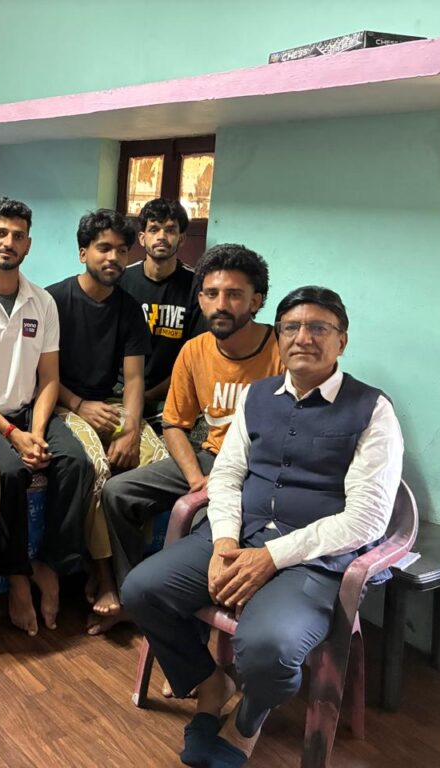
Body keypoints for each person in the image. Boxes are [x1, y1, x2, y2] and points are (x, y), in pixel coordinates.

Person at [122, 286, 404, 767]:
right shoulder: (258, 396)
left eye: (319, 328)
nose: (303, 337)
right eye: (291, 327)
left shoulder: (372, 410)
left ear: (342, 341)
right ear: (279, 337)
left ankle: (248, 718)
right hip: (240, 534)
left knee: (268, 649)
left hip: (312, 560)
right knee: (142, 590)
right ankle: (211, 683)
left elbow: (368, 517)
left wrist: (272, 557)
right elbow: (227, 474)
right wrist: (225, 542)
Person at [0, 197, 94, 637]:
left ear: (28, 244)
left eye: (18, 236)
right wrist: (10, 433)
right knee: (7, 472)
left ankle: (51, 565)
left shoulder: (42, 302)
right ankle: (18, 578)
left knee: (76, 463)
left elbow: (50, 377)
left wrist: (37, 432)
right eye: (0, 233)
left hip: (30, 410)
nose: (8, 242)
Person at [104, 244, 283, 591]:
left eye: (234, 294)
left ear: (255, 301)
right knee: (117, 492)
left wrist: (221, 486)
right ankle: (132, 592)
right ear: (200, 299)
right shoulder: (194, 350)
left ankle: (182, 602)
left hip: (259, 469)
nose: (221, 304)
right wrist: (195, 478)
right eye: (211, 294)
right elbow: (174, 424)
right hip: (209, 459)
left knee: (205, 524)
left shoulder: (281, 351)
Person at [45, 208, 167, 635]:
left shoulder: (129, 309)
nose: (113, 257)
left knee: (155, 463)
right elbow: (42, 375)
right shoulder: (53, 301)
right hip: (62, 402)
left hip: (109, 402)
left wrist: (131, 429)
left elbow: (134, 378)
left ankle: (137, 574)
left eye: (120, 249)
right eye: (103, 248)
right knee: (97, 466)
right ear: (83, 253)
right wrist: (79, 405)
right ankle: (104, 576)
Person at [119, 198, 204, 416]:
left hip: (170, 394)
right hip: (119, 392)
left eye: (170, 230)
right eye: (154, 229)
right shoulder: (121, 280)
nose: (162, 237)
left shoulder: (196, 286)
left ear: (181, 238)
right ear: (142, 238)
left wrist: (148, 395)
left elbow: (196, 357)